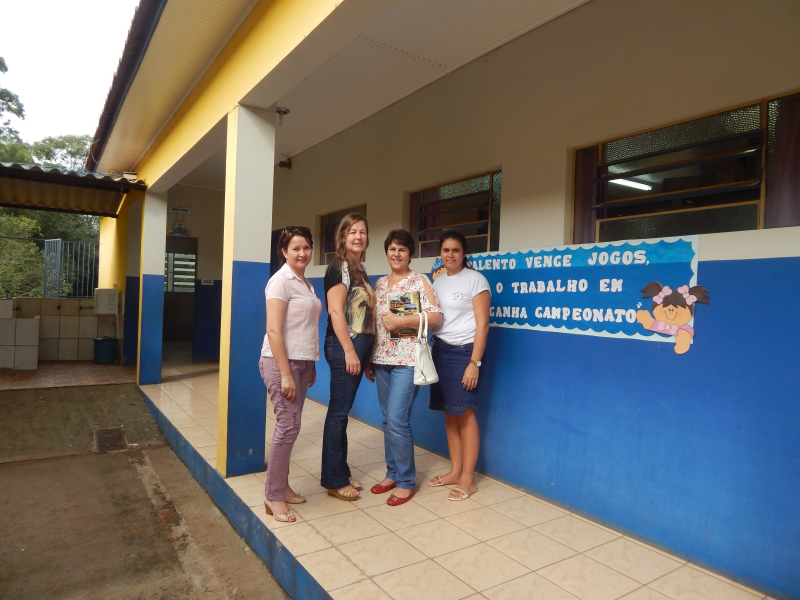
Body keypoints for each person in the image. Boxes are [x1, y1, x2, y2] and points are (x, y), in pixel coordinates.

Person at [370, 229, 441, 506]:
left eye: (402, 249)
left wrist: (402, 322)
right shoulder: (379, 285)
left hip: (408, 360)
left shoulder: (420, 280)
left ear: (410, 253)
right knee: (388, 420)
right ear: (386, 252)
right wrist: (369, 359)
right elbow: (376, 325)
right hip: (382, 360)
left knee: (398, 420)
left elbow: (435, 316)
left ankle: (406, 481)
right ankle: (392, 473)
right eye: (392, 249)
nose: (396, 254)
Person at [259, 226, 322, 522]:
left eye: (306, 248)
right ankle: (272, 495)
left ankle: (282, 486)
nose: (302, 253)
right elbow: (273, 330)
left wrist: (311, 364)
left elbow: (305, 329)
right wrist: (286, 374)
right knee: (287, 427)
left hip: (302, 363)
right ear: (284, 251)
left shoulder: (304, 283)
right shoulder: (280, 282)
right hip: (280, 362)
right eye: (296, 248)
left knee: (292, 428)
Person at [428, 231, 490, 501]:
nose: (450, 255)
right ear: (440, 254)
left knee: (465, 413)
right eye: (445, 250)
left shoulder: (476, 280)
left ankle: (468, 478)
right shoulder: (437, 282)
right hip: (439, 351)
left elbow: (483, 324)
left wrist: (474, 362)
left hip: (464, 353)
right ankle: (455, 471)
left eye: (455, 250)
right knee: (449, 414)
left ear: (464, 253)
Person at [321, 213, 376, 501]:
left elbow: (363, 316)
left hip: (355, 351)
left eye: (363, 232)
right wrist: (351, 350)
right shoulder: (340, 266)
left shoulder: (358, 267)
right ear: (342, 236)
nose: (358, 236)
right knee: (338, 414)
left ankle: (340, 470)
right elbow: (335, 311)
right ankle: (334, 479)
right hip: (343, 349)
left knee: (341, 414)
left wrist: (365, 356)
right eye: (352, 231)